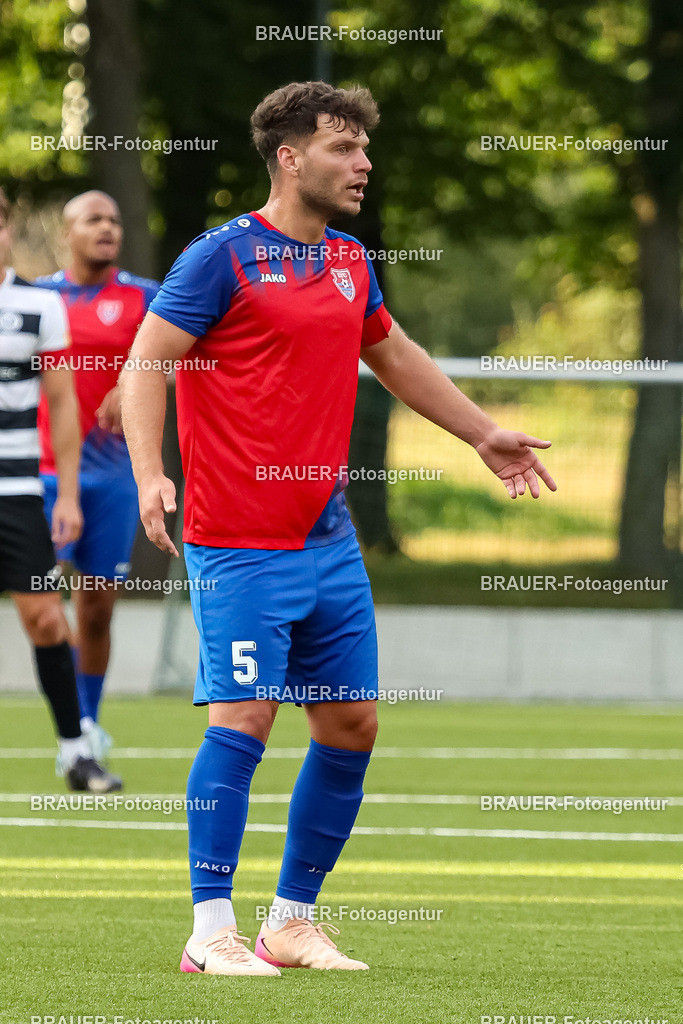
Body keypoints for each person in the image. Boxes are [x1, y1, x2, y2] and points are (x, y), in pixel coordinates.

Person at [120, 81, 556, 976]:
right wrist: (151, 472)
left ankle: (290, 922)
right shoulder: (220, 257)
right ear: (289, 157)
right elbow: (146, 363)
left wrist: (483, 433)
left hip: (325, 536)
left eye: (364, 147)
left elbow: (392, 353)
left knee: (351, 722)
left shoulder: (352, 260)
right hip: (236, 535)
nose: (362, 164)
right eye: (342, 148)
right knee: (243, 721)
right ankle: (210, 933)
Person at [0, 187, 121, 793]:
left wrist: (66, 494)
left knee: (49, 618)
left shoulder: (39, 306)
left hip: (21, 491)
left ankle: (76, 749)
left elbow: (63, 405)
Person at [36, 192, 159, 761]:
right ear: (68, 234)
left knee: (97, 606)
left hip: (113, 476)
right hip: (42, 470)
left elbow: (185, 362)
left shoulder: (144, 298)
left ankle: (86, 724)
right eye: (93, 220)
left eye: (114, 218)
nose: (107, 228)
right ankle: (68, 719)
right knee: (40, 598)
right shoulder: (36, 300)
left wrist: (134, 384)